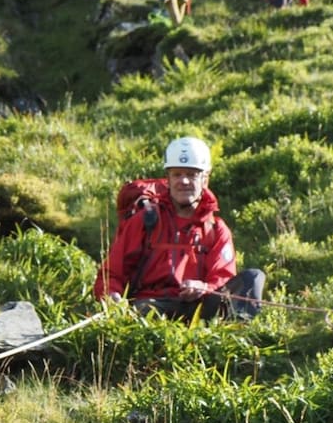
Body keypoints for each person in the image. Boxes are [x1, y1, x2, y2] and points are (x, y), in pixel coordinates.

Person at [93, 137, 265, 321]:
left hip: (200, 308)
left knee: (253, 277)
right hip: (151, 306)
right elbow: (112, 272)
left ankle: (235, 338)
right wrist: (112, 296)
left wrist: (203, 288)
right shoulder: (143, 221)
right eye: (177, 174)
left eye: (192, 174)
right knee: (146, 310)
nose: (183, 181)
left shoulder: (217, 229)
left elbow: (222, 278)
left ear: (205, 179)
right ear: (168, 178)